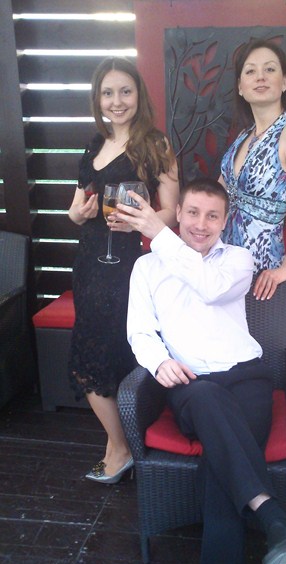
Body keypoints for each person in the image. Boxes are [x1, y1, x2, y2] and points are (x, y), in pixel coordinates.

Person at [125, 178, 286, 564]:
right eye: (192, 212)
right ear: (178, 213)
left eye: (213, 216)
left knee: (220, 456)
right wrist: (159, 361)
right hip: (192, 384)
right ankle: (274, 518)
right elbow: (139, 330)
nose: (201, 224)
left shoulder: (239, 260)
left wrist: (159, 235)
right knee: (210, 404)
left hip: (248, 379)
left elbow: (208, 288)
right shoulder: (147, 267)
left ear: (226, 221)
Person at [68, 57, 179, 484]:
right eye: (108, 93)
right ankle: (121, 445)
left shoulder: (155, 145)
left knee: (113, 353)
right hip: (89, 262)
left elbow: (172, 211)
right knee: (91, 354)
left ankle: (122, 447)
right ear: (97, 98)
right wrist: (77, 214)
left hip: (128, 267)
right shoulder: (94, 145)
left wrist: (141, 222)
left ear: (139, 95)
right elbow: (76, 207)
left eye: (125, 91)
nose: (117, 101)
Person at [219, 39, 286, 301]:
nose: (260, 77)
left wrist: (285, 269)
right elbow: (219, 196)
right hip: (223, 265)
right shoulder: (244, 136)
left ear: (284, 82)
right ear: (240, 87)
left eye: (270, 69)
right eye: (250, 71)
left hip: (261, 272)